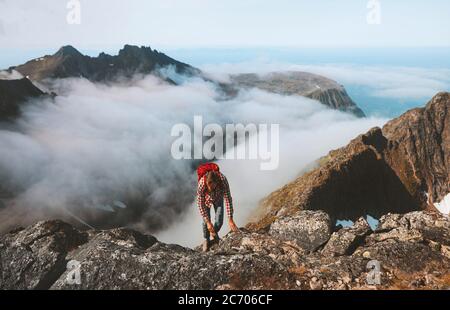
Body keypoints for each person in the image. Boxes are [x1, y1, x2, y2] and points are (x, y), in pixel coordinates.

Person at [197, 163, 239, 252]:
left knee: (219, 221)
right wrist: (208, 222)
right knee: (205, 223)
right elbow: (200, 204)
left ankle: (214, 233)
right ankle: (206, 239)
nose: (210, 188)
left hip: (218, 198)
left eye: (212, 186)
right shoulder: (201, 184)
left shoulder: (223, 180)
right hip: (206, 200)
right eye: (208, 187)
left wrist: (230, 219)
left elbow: (228, 198)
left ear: (216, 182)